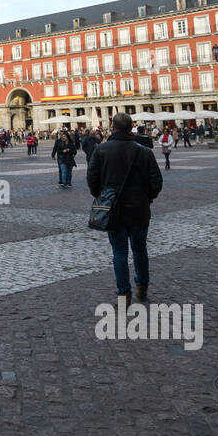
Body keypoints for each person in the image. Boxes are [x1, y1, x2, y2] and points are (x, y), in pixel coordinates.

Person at [88, 113, 164, 305]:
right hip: (139, 209)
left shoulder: (101, 150)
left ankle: (124, 293)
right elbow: (156, 181)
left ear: (112, 127)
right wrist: (148, 198)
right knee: (140, 249)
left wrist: (104, 195)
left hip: (113, 209)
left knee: (119, 252)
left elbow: (92, 179)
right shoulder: (144, 152)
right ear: (131, 128)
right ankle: (142, 286)